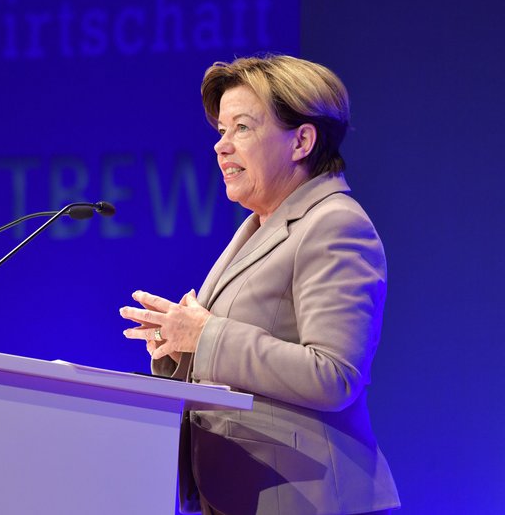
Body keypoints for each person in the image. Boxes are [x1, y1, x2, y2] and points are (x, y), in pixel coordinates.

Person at [119, 55, 401, 515]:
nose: (221, 146)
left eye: (242, 128)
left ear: (301, 141)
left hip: (309, 498)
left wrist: (205, 335)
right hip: (245, 494)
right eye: (221, 131)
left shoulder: (335, 224)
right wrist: (179, 348)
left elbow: (334, 376)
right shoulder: (259, 226)